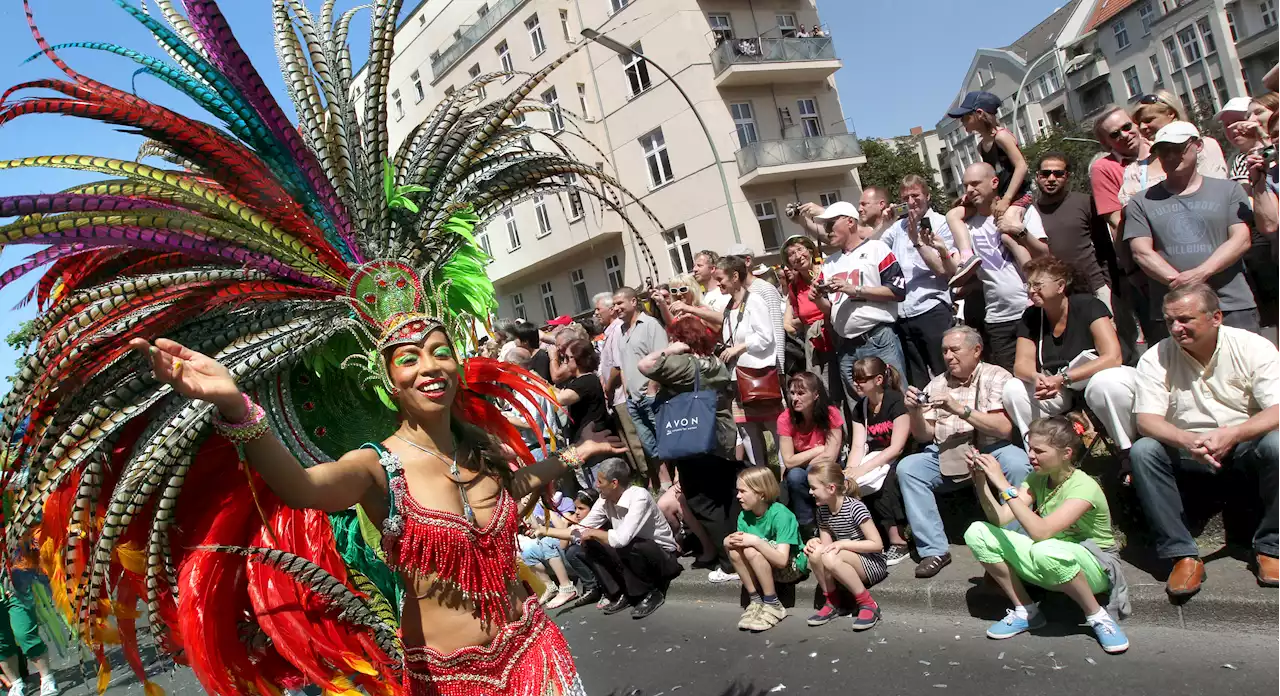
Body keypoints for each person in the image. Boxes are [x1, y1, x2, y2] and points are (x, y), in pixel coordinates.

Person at [0, 2, 660, 694]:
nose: (430, 365)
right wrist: (232, 402)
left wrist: (574, 456)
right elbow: (301, 487)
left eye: (439, 349)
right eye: (409, 358)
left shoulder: (482, 451)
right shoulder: (377, 471)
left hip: (537, 659)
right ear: (386, 379)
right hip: (449, 681)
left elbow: (520, 486)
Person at [1129, 284, 1280, 596]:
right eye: (1169, 320)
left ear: (1216, 317)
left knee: (1278, 445)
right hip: (1189, 449)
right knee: (1144, 451)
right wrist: (1186, 440)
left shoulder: (1253, 347)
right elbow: (1146, 420)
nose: (1176, 328)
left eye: (1185, 319)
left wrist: (1234, 434)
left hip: (1244, 444)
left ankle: (1270, 548)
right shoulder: (1156, 357)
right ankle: (1182, 555)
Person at [964, 416, 1130, 654]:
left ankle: (1098, 616)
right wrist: (980, 480)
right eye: (1030, 448)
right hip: (1051, 558)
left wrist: (1003, 485)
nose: (1031, 455)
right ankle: (1026, 611)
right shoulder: (1037, 478)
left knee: (1044, 547)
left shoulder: (1083, 486)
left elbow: (1041, 533)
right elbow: (1000, 519)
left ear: (1066, 453)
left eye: (1039, 450)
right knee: (977, 532)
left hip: (1096, 566)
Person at [898, 326, 1032, 578]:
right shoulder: (937, 383)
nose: (948, 356)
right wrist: (914, 412)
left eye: (955, 350)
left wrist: (960, 409)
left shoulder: (996, 376)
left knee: (1017, 463)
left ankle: (1015, 544)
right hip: (947, 452)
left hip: (991, 449)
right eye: (944, 351)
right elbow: (924, 435)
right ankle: (934, 550)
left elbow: (1003, 428)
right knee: (909, 468)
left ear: (977, 350)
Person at [1124, 121, 1258, 340]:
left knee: (1244, 370)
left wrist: (1202, 272)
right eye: (1162, 151)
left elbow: (1241, 239)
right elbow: (1141, 252)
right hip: (1173, 312)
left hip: (1230, 304)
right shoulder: (1141, 201)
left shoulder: (1229, 190)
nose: (1170, 156)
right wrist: (1177, 282)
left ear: (1198, 146)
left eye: (1177, 148)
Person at [639, 315, 743, 584]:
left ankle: (730, 563)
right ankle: (740, 553)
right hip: (721, 438)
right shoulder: (715, 363)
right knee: (726, 498)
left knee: (703, 502)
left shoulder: (683, 365)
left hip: (693, 442)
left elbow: (645, 364)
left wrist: (670, 350)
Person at [1002, 256, 1139, 454]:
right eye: (1029, 285)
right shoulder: (1031, 316)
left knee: (1104, 383)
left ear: (1060, 286)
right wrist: (1036, 377)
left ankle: (1128, 450)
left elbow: (1112, 357)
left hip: (1107, 376)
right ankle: (1041, 454)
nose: (1031, 290)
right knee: (1014, 388)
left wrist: (1063, 378)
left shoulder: (1088, 305)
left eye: (1038, 284)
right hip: (1061, 386)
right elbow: (1021, 365)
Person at [555, 458, 682, 619]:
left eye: (600, 481)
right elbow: (581, 528)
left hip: (662, 558)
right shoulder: (604, 500)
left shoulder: (639, 496)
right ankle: (621, 591)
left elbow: (622, 538)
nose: (596, 485)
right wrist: (544, 530)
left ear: (614, 483)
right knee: (590, 544)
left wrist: (594, 533)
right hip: (634, 553)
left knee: (627, 544)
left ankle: (650, 593)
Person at [814, 201, 908, 412]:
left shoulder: (877, 248)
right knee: (860, 404)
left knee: (894, 395)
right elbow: (829, 308)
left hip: (877, 338)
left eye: (831, 223)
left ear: (850, 222)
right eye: (825, 225)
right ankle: (873, 441)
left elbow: (898, 291)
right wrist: (816, 298)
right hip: (846, 345)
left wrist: (855, 290)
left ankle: (912, 443)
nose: (827, 230)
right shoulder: (829, 263)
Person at [951, 163, 1036, 369]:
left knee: (1040, 376)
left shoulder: (1018, 213)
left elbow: (1042, 257)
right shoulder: (965, 226)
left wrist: (1014, 235)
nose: (970, 190)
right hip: (998, 318)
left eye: (975, 183)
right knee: (1009, 379)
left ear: (994, 182)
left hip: (1030, 309)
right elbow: (954, 269)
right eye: (966, 186)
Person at [880, 175, 959, 387]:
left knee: (946, 373)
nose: (912, 202)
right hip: (903, 315)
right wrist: (883, 223)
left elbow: (944, 270)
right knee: (918, 382)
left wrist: (918, 243)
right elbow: (872, 248)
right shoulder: (897, 228)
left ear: (928, 196)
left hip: (931, 309)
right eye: (906, 198)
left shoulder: (941, 224)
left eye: (916, 195)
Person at [946, 91, 1031, 283]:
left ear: (979, 114)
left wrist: (1008, 199)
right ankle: (967, 256)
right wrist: (972, 195)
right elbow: (989, 175)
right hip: (1000, 196)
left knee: (1008, 234)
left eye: (965, 117)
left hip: (1018, 194)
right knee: (954, 214)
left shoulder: (1001, 137)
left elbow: (1022, 166)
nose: (963, 123)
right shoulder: (981, 145)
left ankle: (1031, 279)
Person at [803, 459, 888, 631]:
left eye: (813, 488)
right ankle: (832, 602)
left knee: (830, 555)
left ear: (831, 488)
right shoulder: (823, 511)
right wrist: (815, 542)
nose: (810, 492)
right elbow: (826, 546)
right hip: (842, 560)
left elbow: (876, 544)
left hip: (871, 563)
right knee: (816, 552)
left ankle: (868, 603)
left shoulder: (855, 508)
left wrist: (842, 544)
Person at [717, 255, 784, 468]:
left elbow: (766, 337)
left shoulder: (754, 300)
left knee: (775, 430)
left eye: (721, 279)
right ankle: (760, 476)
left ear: (735, 276)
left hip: (758, 376)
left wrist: (739, 347)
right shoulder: (729, 306)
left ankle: (784, 476)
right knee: (747, 431)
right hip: (737, 378)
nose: (718, 283)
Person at [1027, 152, 1115, 310]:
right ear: (1037, 176)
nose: (1051, 179)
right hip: (1053, 293)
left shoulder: (1085, 202)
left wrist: (1108, 284)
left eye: (1058, 174)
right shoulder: (1029, 213)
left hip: (1094, 286)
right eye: (1045, 173)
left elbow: (1104, 247)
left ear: (1067, 176)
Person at [725, 466, 810, 632]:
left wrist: (756, 541)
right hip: (764, 567)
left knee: (751, 549)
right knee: (735, 548)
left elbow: (781, 560)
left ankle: (773, 604)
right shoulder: (744, 515)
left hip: (790, 568)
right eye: (738, 491)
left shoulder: (782, 515)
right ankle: (756, 600)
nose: (738, 496)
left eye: (743, 491)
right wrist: (727, 542)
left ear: (761, 494)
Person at [847, 357, 912, 565]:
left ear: (878, 379)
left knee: (886, 483)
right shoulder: (861, 407)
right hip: (875, 456)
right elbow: (858, 445)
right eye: (854, 378)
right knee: (851, 485)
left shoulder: (895, 400)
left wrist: (864, 467)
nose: (857, 383)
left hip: (900, 454)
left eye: (861, 379)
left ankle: (899, 540)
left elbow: (897, 446)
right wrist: (850, 471)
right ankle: (871, 539)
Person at [615, 286, 670, 488]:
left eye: (620, 303)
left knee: (667, 439)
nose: (616, 308)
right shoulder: (621, 330)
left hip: (653, 395)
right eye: (614, 304)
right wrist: (626, 389)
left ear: (633, 302)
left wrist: (652, 388)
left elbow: (662, 356)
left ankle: (680, 481)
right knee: (650, 445)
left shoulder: (649, 325)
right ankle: (665, 482)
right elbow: (623, 364)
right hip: (633, 398)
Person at [1125, 90, 1227, 197]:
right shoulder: (1138, 169)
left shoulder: (1203, 147)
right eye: (1139, 123)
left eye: (1148, 120)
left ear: (1171, 113)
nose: (1142, 127)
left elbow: (1215, 193)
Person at [777, 372, 843, 535]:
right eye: (792, 393)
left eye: (801, 393)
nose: (795, 399)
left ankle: (833, 522)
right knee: (795, 476)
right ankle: (808, 527)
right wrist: (818, 449)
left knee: (810, 473)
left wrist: (804, 459)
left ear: (815, 395)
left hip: (825, 466)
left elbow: (831, 456)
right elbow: (788, 461)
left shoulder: (831, 413)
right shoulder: (785, 419)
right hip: (799, 469)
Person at [781, 235, 832, 380]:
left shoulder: (827, 271)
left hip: (836, 338)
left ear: (810, 250)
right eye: (791, 254)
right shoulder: (795, 286)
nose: (797, 256)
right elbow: (794, 319)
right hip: (814, 344)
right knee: (820, 387)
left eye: (800, 249)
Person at [521, 493, 580, 610]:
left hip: (567, 542)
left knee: (546, 541)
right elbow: (536, 530)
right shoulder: (536, 505)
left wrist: (548, 509)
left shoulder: (565, 501)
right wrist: (529, 508)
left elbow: (563, 530)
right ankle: (550, 587)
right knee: (527, 552)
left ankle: (567, 587)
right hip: (549, 547)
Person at [561, 490, 603, 607]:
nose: (577, 513)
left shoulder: (596, 521)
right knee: (570, 551)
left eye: (581, 508)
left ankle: (597, 587)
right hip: (591, 560)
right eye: (575, 509)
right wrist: (566, 524)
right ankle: (592, 587)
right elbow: (562, 545)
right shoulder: (577, 524)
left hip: (602, 558)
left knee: (573, 551)